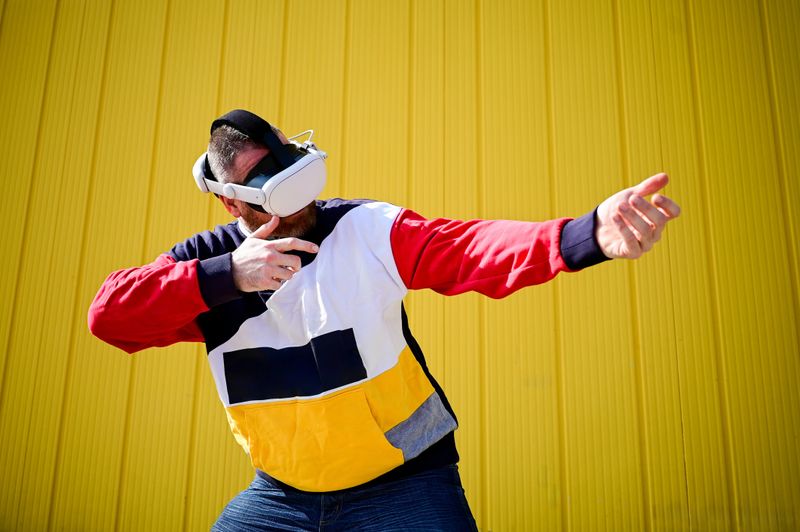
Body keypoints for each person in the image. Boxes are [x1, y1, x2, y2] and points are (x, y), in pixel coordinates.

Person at [88, 109, 681, 531]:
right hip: (282, 499)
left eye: (292, 173)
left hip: (406, 485)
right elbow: (110, 316)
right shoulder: (206, 266)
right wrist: (227, 278)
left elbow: (470, 249)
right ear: (232, 202)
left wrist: (585, 236)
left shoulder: (367, 231)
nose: (296, 200)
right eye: (269, 189)